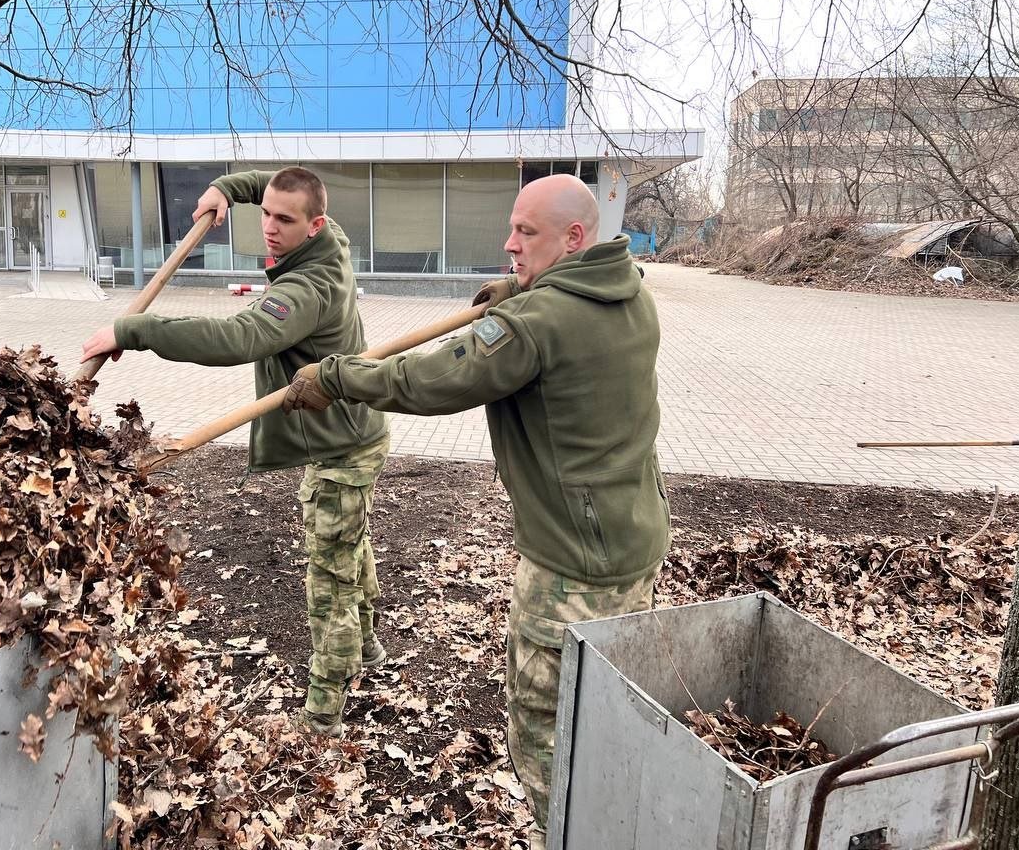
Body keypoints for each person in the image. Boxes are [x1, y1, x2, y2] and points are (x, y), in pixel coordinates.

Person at [282, 173, 671, 842]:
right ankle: (621, 820)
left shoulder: (537, 324)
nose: (508, 242)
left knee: (544, 738)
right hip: (635, 546)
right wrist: (522, 288)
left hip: (570, 572)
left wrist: (337, 376)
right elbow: (558, 305)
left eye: (527, 232)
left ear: (573, 237)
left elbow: (433, 379)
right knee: (607, 711)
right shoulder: (629, 290)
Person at [81, 166, 390, 737]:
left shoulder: (307, 289)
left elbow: (238, 338)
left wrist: (136, 332)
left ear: (314, 224)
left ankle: (324, 711)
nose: (269, 228)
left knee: (329, 574)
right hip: (352, 431)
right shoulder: (330, 237)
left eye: (284, 220)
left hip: (342, 445)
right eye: (265, 213)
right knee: (349, 542)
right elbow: (273, 182)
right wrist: (229, 189)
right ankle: (368, 647)